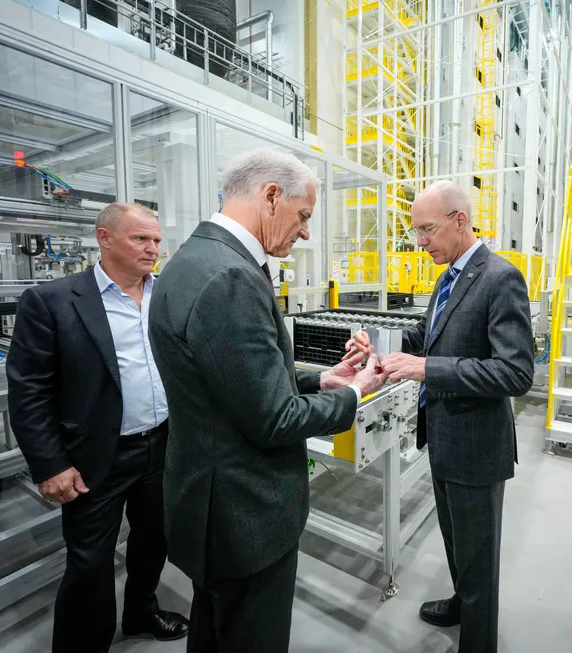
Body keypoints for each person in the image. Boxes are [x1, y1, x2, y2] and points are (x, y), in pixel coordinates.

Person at [148, 147, 388, 653]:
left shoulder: (191, 260)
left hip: (209, 503)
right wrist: (353, 390)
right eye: (303, 216)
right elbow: (275, 420)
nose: (305, 233)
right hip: (244, 514)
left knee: (214, 631)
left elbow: (232, 382)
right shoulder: (230, 276)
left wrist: (319, 380)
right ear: (271, 196)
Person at [351, 181, 534, 653]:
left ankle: (478, 641)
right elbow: (425, 334)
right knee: (458, 546)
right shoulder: (448, 276)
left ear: (459, 220)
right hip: (445, 438)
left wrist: (428, 369)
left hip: (476, 446)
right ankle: (461, 600)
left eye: (426, 229)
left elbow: (515, 372)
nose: (421, 241)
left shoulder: (500, 277)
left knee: (479, 556)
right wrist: (380, 344)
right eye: (416, 232)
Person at [7, 202, 190, 653]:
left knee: (154, 542)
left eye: (157, 241)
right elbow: (28, 390)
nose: (153, 249)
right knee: (90, 562)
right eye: (141, 239)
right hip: (93, 456)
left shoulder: (167, 295)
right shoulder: (52, 300)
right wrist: (50, 464)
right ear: (104, 239)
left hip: (162, 445)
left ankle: (141, 613)